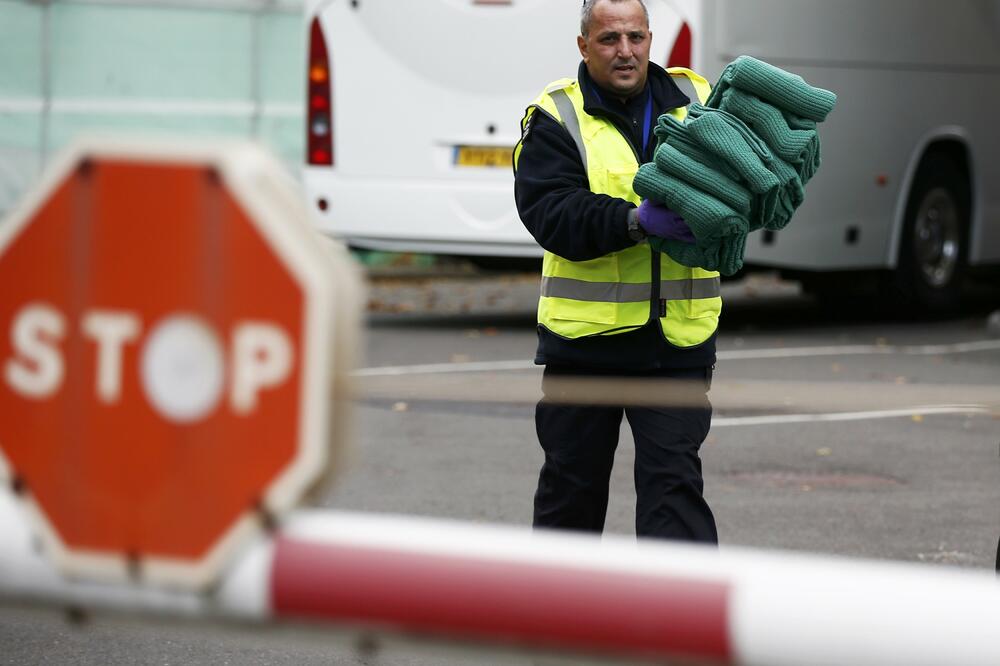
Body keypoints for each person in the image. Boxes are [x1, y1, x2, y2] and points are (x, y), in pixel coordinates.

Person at [512, 0, 721, 543]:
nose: (625, 51)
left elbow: (739, 182)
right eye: (609, 40)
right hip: (585, 346)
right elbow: (550, 213)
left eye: (635, 37)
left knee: (674, 493)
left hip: (675, 341)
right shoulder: (557, 114)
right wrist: (634, 221)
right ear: (583, 46)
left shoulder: (697, 100)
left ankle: (677, 623)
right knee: (570, 499)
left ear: (652, 39)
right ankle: (558, 624)